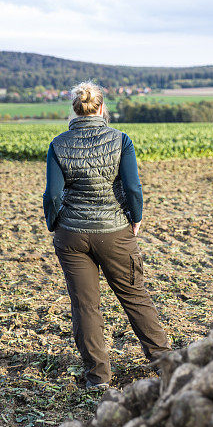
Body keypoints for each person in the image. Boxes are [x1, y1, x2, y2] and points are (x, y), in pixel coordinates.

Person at [42, 81, 170, 389]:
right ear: (101, 108)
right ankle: (168, 365)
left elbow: (52, 195)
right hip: (114, 232)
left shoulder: (58, 144)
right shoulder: (121, 139)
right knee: (135, 297)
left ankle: (98, 379)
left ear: (75, 110)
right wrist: (135, 219)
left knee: (85, 306)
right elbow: (133, 188)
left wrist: (54, 223)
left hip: (71, 236)